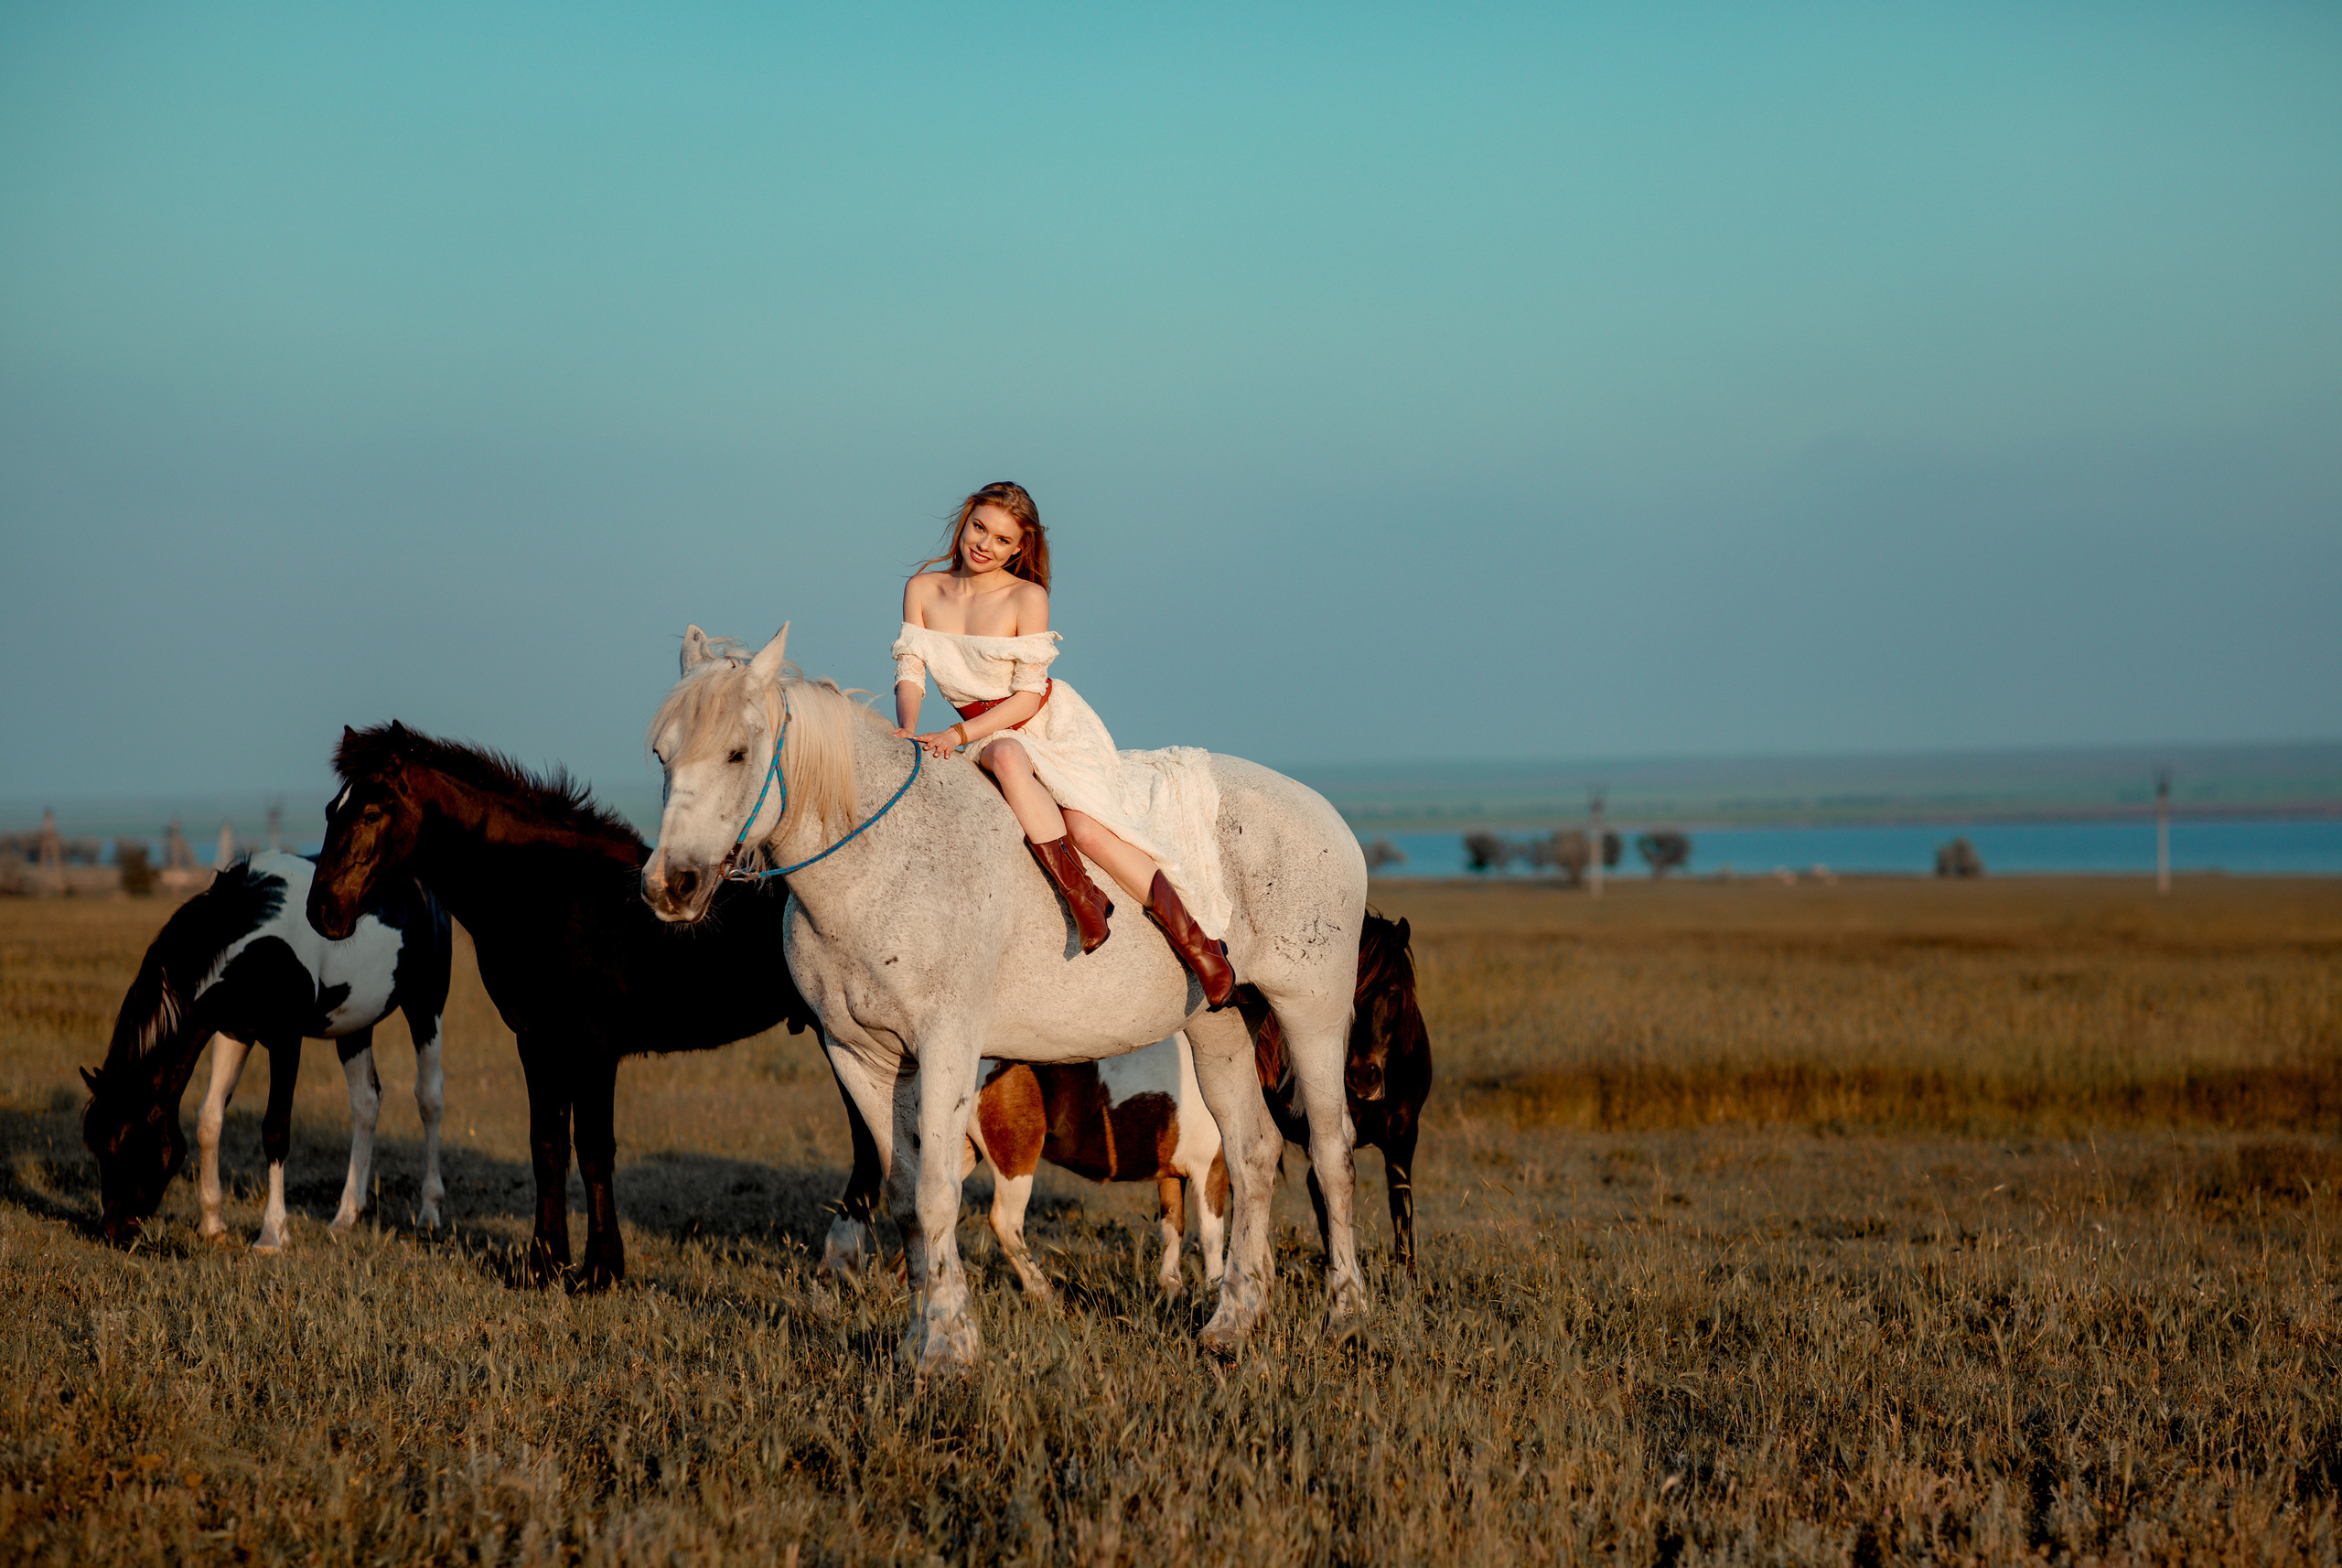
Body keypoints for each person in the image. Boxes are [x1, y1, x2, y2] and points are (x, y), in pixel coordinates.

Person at [891, 482, 1235, 1006]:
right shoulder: (922, 589)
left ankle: (1201, 946)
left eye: (1002, 539)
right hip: (990, 734)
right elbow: (911, 669)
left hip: (1048, 724)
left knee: (1088, 830)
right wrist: (909, 728)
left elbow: (1028, 699)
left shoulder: (1027, 597)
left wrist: (954, 735)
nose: (984, 544)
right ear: (965, 522)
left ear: (1019, 548)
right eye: (979, 528)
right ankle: (1084, 896)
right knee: (1007, 755)